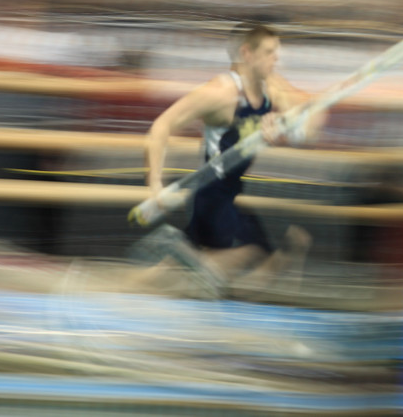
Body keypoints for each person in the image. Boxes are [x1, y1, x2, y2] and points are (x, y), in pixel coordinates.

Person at [137, 22, 323, 297]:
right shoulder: (220, 93)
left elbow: (314, 118)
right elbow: (161, 126)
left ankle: (114, 290)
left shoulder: (272, 87)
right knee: (254, 255)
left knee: (168, 276)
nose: (277, 59)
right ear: (247, 53)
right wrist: (154, 184)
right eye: (270, 52)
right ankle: (194, 271)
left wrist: (285, 126)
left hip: (231, 194)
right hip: (211, 195)